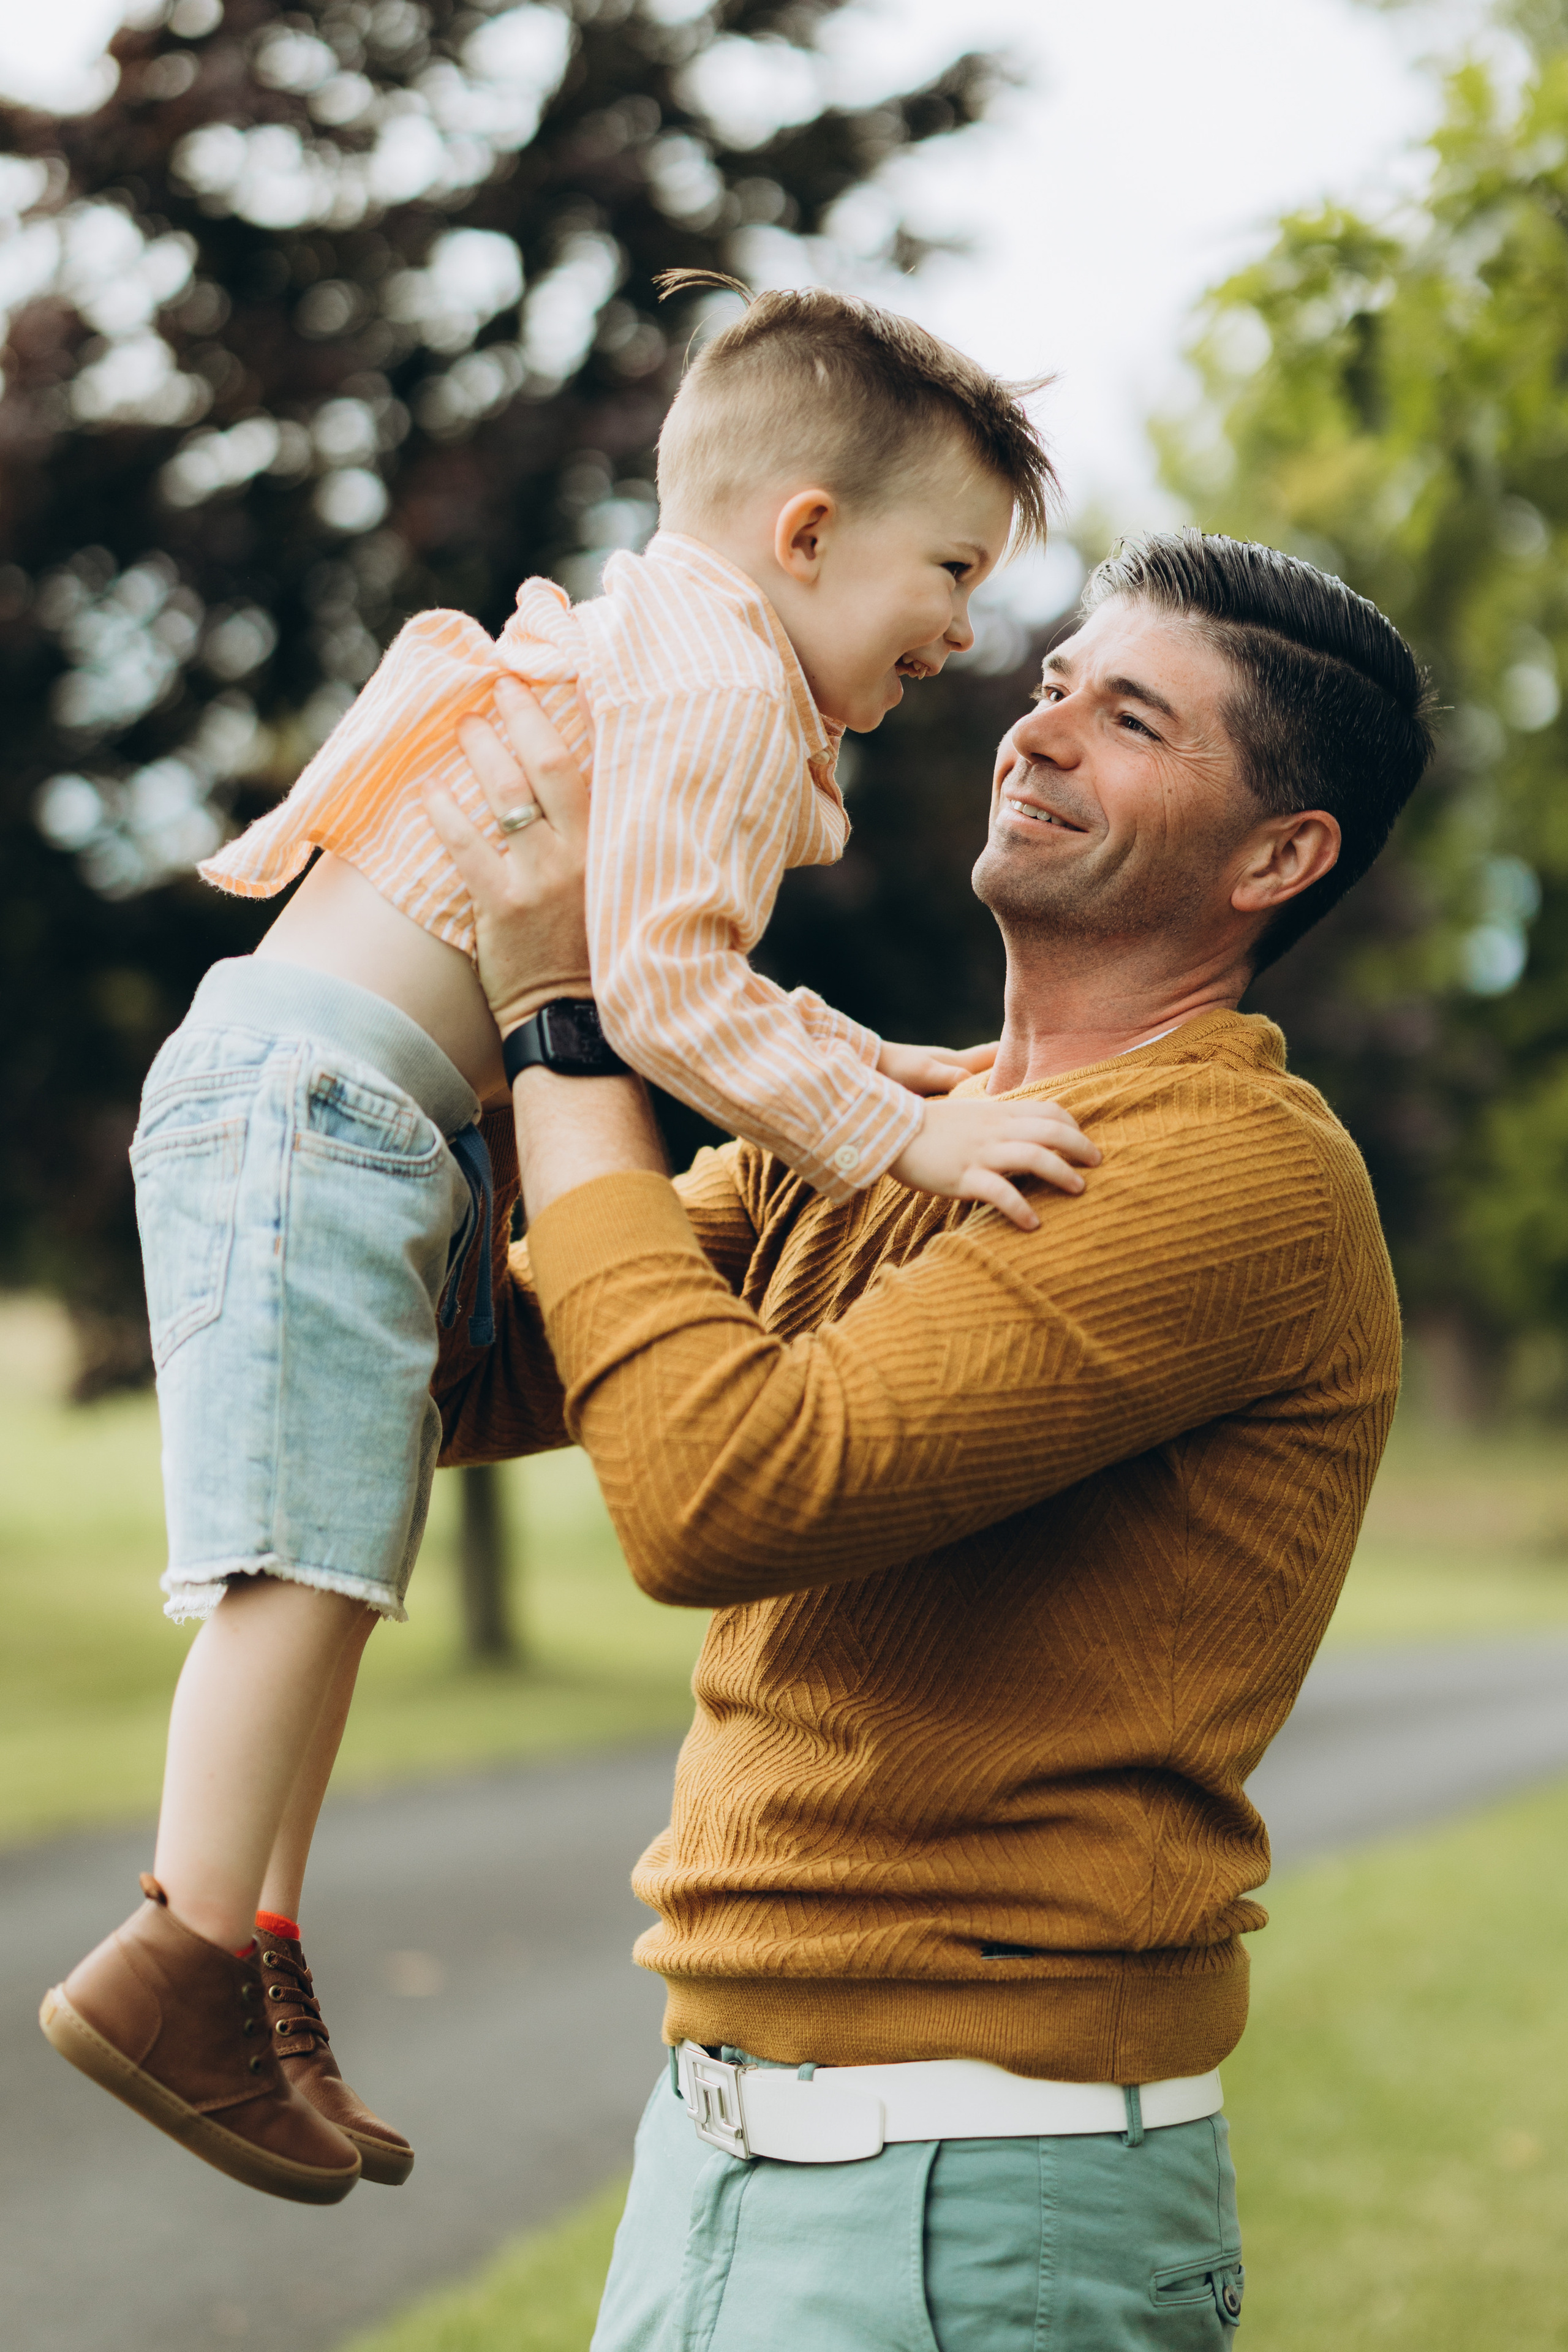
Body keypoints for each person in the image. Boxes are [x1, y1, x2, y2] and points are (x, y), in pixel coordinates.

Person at [40, 282, 1088, 2206]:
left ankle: (254, 1969)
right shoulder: (708, 683)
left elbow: (674, 968)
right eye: (950, 567)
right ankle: (175, 1958)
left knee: (344, 1567)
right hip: (323, 1109)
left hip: (353, 1114)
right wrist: (912, 1135)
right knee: (304, 1567)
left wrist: (881, 1064)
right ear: (805, 533)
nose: (966, 624)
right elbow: (674, 1008)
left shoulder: (692, 654)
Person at [424, 527, 1432, 2348]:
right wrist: (429, 1011)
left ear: (1279, 857)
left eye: (1130, 718)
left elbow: (723, 1492)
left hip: (973, 2203)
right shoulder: (895, 1117)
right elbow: (458, 1369)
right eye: (1053, 687)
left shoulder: (1232, 1175)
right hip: (726, 2163)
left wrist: (568, 1021)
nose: (1039, 734)